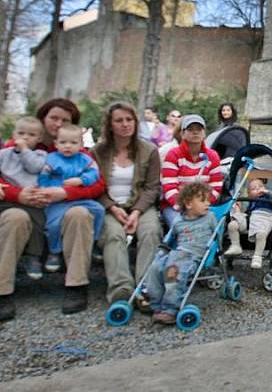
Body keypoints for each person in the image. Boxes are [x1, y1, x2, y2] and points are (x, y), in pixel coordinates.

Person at [0, 98, 105, 315]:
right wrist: (18, 194)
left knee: (79, 214)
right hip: (24, 207)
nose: (58, 124)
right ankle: (3, 290)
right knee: (14, 218)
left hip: (61, 207)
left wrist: (66, 192)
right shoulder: (19, 145)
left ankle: (76, 284)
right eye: (53, 118)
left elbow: (98, 184)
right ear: (43, 119)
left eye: (64, 120)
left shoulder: (76, 150)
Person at [92, 102, 162, 305]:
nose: (125, 124)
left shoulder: (149, 150)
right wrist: (112, 208)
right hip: (109, 205)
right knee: (114, 235)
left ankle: (146, 288)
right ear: (110, 124)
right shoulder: (97, 152)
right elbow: (94, 187)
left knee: (151, 232)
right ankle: (121, 289)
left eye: (129, 120)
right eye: (119, 120)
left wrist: (137, 212)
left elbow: (152, 187)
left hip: (140, 205)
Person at [145, 182, 217, 325]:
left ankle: (170, 309)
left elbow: (216, 235)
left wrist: (215, 251)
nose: (208, 203)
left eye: (208, 200)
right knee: (155, 268)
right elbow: (170, 239)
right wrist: (162, 251)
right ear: (189, 204)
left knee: (173, 273)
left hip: (193, 256)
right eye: (203, 200)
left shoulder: (210, 217)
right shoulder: (178, 221)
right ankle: (156, 304)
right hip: (176, 253)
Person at [37, 124, 105, 273]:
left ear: (81, 144)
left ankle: (93, 242)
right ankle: (54, 251)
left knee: (99, 210)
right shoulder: (51, 160)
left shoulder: (84, 159)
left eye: (73, 143)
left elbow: (94, 173)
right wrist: (44, 190)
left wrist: (82, 180)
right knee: (53, 224)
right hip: (57, 200)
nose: (68, 146)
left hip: (78, 197)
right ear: (56, 144)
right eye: (63, 142)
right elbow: (43, 177)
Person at [0, 117, 47, 279]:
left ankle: (33, 256)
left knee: (39, 221)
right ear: (13, 134)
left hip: (33, 198)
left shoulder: (40, 155)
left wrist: (25, 150)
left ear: (39, 138)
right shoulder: (4, 154)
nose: (25, 138)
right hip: (8, 199)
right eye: (21, 133)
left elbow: (34, 167)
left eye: (31, 135)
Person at [161, 114, 222, 227]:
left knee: (214, 224)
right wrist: (185, 207)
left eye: (199, 129)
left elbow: (216, 186)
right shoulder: (173, 155)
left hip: (204, 206)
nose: (195, 132)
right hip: (175, 207)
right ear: (183, 134)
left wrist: (202, 205)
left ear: (204, 133)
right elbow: (168, 187)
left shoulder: (212, 156)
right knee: (182, 226)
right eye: (190, 129)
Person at [224, 178, 272, 269]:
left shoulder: (270, 198)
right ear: (249, 194)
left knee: (261, 234)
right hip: (251, 217)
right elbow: (245, 213)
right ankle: (236, 245)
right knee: (232, 225)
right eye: (253, 189)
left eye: (260, 186)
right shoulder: (251, 201)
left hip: (265, 217)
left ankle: (257, 256)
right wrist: (237, 209)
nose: (257, 189)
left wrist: (267, 192)